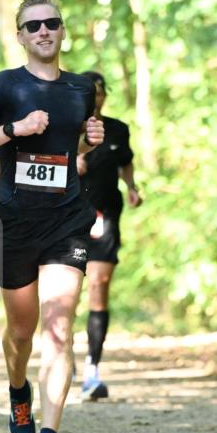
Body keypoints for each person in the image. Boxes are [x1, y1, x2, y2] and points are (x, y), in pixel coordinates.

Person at [0, 0, 104, 433]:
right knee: (22, 332)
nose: (43, 31)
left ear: (62, 31)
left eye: (51, 23)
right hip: (15, 223)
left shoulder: (80, 88)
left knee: (59, 328)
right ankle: (19, 392)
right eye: (33, 25)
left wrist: (87, 141)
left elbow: (68, 148)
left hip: (67, 220)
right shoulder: (4, 87)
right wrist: (15, 129)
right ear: (19, 36)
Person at [76, 71, 142, 400]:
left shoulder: (118, 129)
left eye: (100, 92)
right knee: (66, 292)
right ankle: (62, 354)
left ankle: (92, 367)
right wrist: (71, 161)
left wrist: (131, 187)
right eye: (90, 92)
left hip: (105, 216)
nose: (96, 97)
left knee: (98, 285)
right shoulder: (67, 126)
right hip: (68, 218)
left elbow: (126, 163)